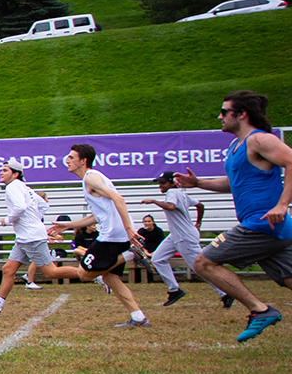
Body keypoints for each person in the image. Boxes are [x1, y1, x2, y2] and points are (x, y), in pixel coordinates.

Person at [172, 90, 290, 342]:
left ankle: (261, 310)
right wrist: (198, 183)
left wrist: (282, 204)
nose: (219, 116)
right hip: (269, 227)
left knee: (203, 263)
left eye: (224, 112)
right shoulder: (237, 146)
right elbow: (233, 182)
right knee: (289, 279)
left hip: (261, 224)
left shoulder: (259, 140)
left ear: (242, 114)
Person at [47, 144, 151, 328]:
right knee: (110, 277)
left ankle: (130, 254)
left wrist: (128, 229)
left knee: (85, 274)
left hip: (112, 236)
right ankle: (138, 317)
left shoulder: (91, 178)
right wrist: (68, 225)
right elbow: (96, 216)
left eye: (71, 157)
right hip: (115, 234)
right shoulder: (90, 180)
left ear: (83, 161)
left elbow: (118, 199)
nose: (67, 160)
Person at [0, 162, 63, 316]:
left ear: (15, 173)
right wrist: (34, 221)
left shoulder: (12, 187)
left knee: (51, 272)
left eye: (5, 170)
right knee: (8, 269)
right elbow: (43, 206)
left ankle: (93, 273)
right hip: (25, 236)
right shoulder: (24, 187)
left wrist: (8, 219)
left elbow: (20, 208)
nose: (1, 173)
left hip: (30, 237)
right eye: (1, 170)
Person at [141, 171, 224, 307]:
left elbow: (171, 206)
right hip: (177, 235)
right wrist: (198, 223)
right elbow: (200, 205)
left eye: (163, 182)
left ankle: (224, 293)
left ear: (172, 183)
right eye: (159, 182)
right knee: (157, 259)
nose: (160, 185)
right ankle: (174, 290)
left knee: (199, 267)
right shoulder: (182, 194)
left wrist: (154, 201)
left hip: (184, 236)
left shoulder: (172, 193)